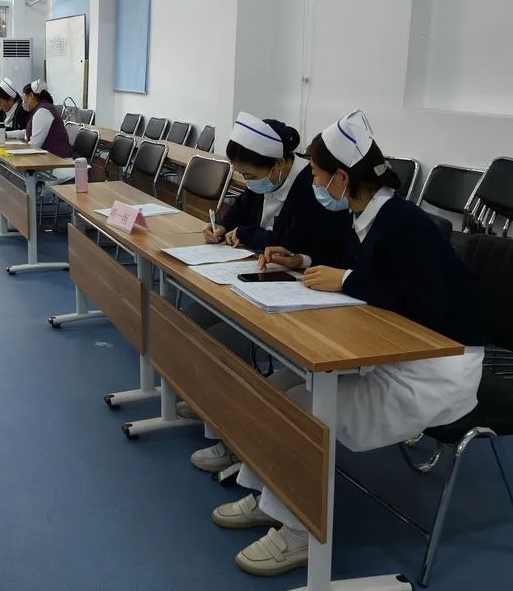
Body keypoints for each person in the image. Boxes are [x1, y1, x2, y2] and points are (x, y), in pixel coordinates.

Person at [213, 110, 487, 578]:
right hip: (397, 352)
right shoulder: (370, 214)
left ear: (342, 178)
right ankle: (269, 497)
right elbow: (372, 276)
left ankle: (299, 534)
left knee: (305, 414)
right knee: (280, 390)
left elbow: (422, 305)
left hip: (436, 368)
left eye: (319, 175)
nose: (314, 183)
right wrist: (304, 261)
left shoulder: (403, 223)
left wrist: (346, 280)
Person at [186, 112, 357, 474]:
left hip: (302, 288)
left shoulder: (311, 188)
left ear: (279, 164)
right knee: (193, 318)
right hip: (273, 275)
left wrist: (249, 234)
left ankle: (235, 436)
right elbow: (240, 213)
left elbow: (291, 243)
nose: (248, 183)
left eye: (251, 175)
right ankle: (210, 403)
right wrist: (222, 228)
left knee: (224, 339)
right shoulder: (262, 179)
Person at [6, 79, 73, 158]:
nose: (23, 101)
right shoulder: (39, 109)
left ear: (31, 96)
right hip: (49, 158)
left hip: (58, 160)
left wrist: (16, 149)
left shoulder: (43, 111)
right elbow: (27, 133)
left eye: (24, 96)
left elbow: (35, 144)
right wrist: (6, 134)